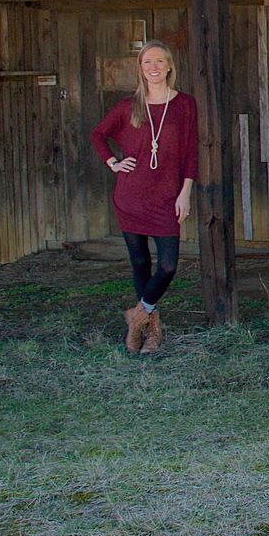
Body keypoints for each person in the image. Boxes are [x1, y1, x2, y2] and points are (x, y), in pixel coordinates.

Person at [91, 40, 198, 354]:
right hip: (131, 195)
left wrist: (185, 193)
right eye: (147, 62)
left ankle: (137, 316)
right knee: (140, 262)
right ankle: (151, 331)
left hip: (166, 196)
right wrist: (113, 162)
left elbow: (191, 152)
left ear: (169, 66)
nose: (154, 67)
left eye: (159, 61)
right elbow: (98, 134)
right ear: (140, 68)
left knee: (167, 265)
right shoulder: (128, 106)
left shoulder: (185, 104)